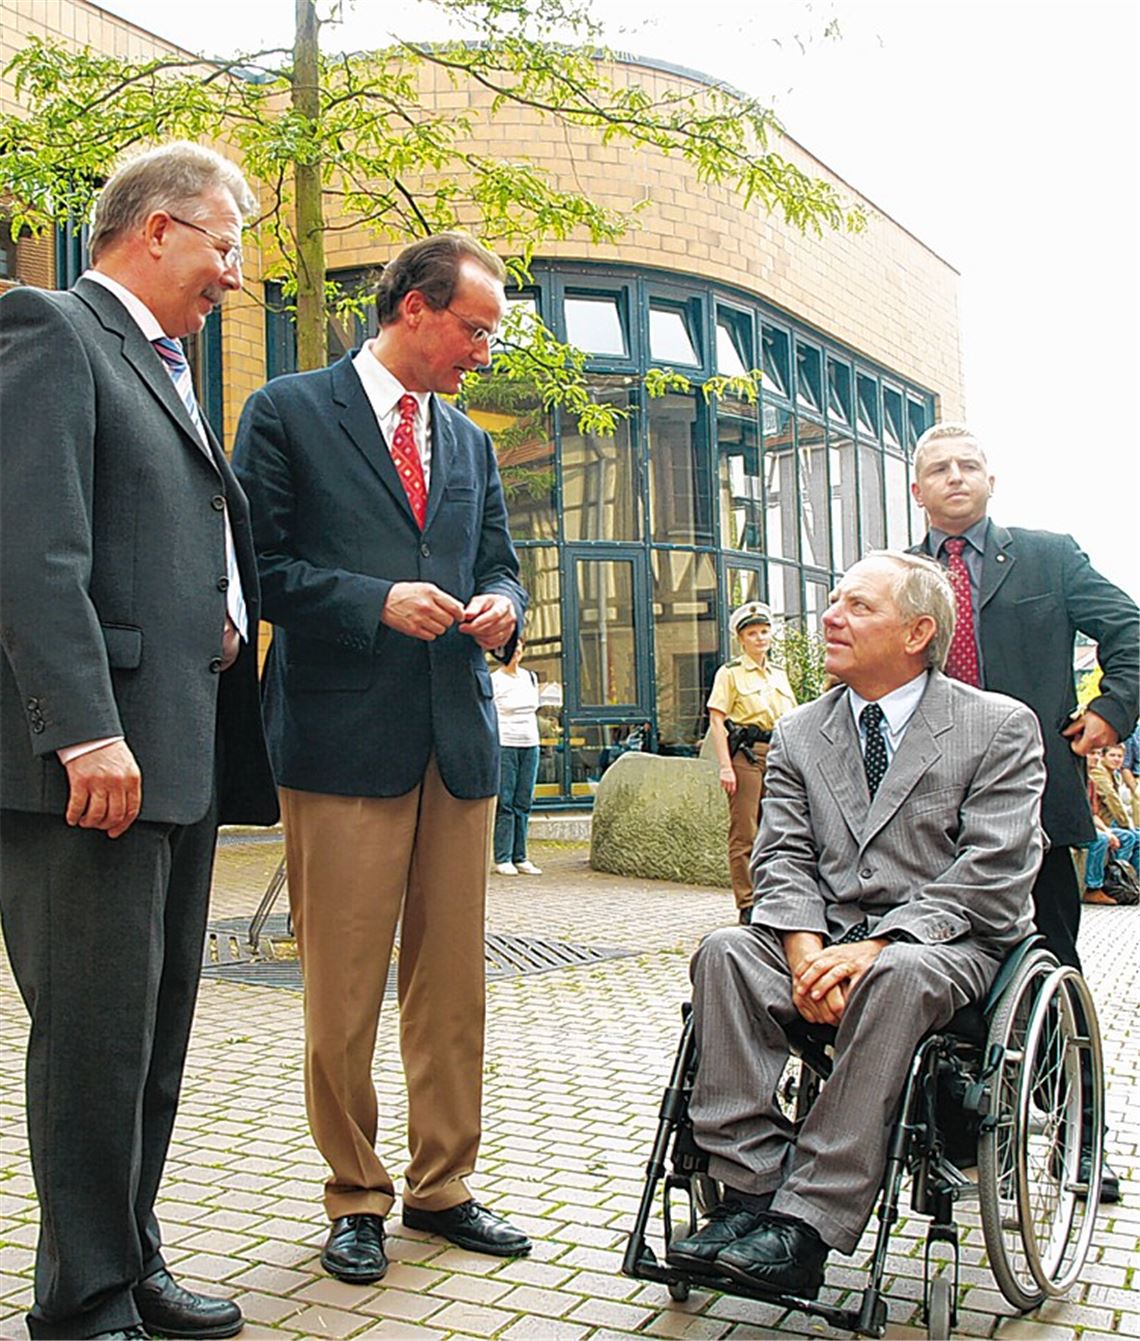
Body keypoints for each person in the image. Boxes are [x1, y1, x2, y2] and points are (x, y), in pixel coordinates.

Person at [0, 143, 277, 1340]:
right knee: (94, 1043)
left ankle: (132, 1258)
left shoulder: (166, 365)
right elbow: (32, 553)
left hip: (178, 750)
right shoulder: (52, 332)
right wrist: (86, 735)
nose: (231, 273)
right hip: (96, 767)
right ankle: (81, 1300)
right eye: (222, 245)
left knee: (154, 1034)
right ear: (156, 230)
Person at [232, 232, 530, 1284]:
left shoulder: (472, 444)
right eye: (475, 328)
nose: (485, 350)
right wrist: (373, 603)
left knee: (452, 989)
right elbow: (257, 570)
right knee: (344, 991)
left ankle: (442, 1185)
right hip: (339, 740)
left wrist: (506, 607)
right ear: (411, 308)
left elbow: (501, 559)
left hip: (457, 741)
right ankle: (354, 1193)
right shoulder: (284, 413)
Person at [667, 551, 1045, 1298]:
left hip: (944, 946)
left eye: (856, 606)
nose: (830, 617)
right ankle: (750, 1192)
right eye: (832, 600)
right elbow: (781, 853)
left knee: (898, 976)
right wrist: (807, 952)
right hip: (825, 935)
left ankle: (808, 1223)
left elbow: (992, 872)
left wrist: (873, 949)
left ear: (917, 631)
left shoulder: (996, 725)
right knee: (727, 954)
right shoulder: (804, 731)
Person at [909, 421, 1139, 1203]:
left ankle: (1077, 1141)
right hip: (926, 814)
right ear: (918, 490)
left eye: (970, 464)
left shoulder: (1048, 556)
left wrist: (1111, 709)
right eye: (939, 468)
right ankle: (951, 1139)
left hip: (1036, 804)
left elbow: (1130, 629)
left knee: (1049, 967)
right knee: (939, 972)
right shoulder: (897, 574)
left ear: (991, 480)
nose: (956, 476)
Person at [705, 602, 797, 921]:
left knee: (780, 829)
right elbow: (716, 721)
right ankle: (747, 903)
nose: (760, 638)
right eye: (752, 633)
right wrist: (725, 766)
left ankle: (776, 896)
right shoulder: (730, 674)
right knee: (745, 831)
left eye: (764, 631)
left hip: (778, 755)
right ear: (740, 639)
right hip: (746, 756)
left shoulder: (780, 675)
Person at [491, 639, 543, 876]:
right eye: (512, 650)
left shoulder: (530, 677)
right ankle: (503, 857)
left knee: (524, 800)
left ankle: (520, 856)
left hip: (530, 743)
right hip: (506, 744)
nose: (516, 653)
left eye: (519, 648)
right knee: (507, 801)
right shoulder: (495, 680)